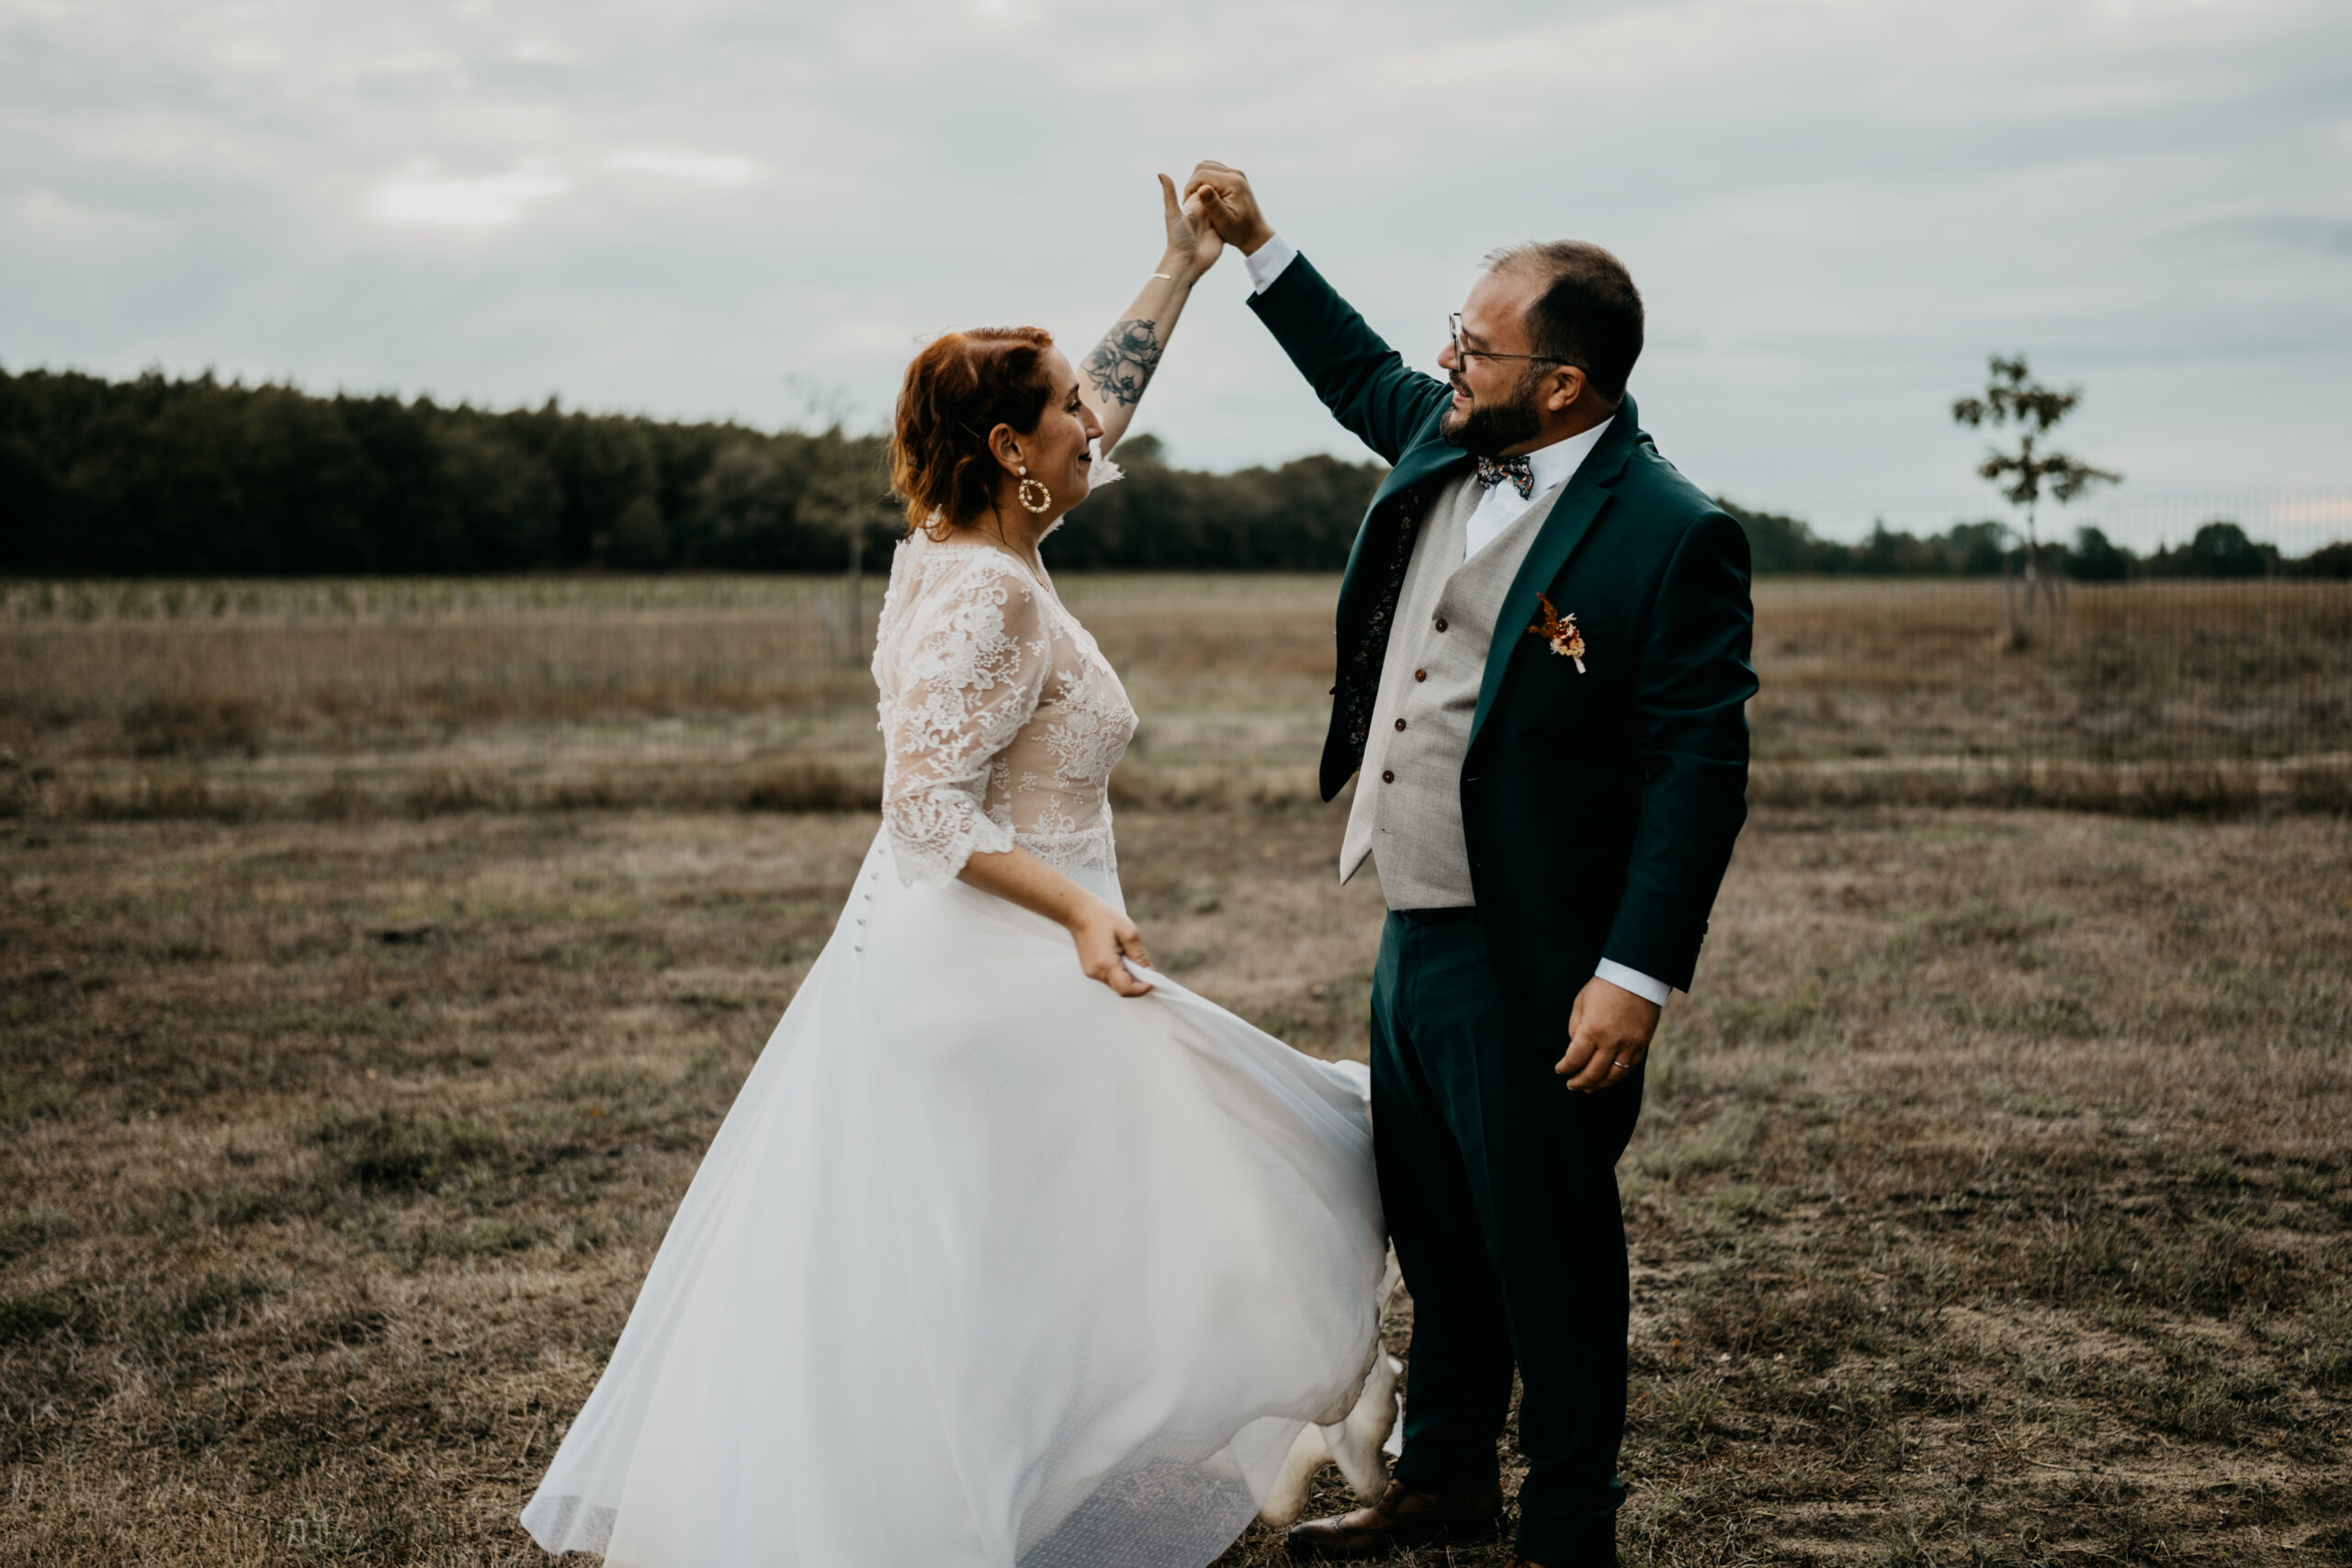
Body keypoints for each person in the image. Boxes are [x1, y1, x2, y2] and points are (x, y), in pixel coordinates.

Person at [520, 177, 1393, 1568]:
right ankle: (1178, 1447)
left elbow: (1105, 394)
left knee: (1053, 1238)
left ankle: (1139, 1455)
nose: (1094, 425)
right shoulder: (984, 590)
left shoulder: (968, 546)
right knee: (1249, 1153)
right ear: (1009, 445)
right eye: (1063, 415)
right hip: (1002, 951)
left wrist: (1178, 270)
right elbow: (921, 802)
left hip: (997, 945)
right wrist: (1079, 911)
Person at [1184, 161, 1757, 1568]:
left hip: (1541, 953)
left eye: (1478, 344)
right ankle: (1446, 1477)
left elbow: (1701, 768)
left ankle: (1568, 1523)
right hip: (1412, 927)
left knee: (1550, 1251)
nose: (1448, 358)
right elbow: (1356, 371)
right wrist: (1259, 244)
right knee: (1434, 1226)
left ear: (1562, 386)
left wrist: (1633, 976)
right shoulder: (1445, 438)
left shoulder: (1673, 534)